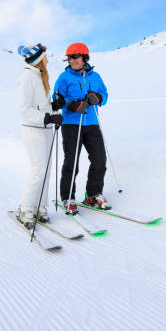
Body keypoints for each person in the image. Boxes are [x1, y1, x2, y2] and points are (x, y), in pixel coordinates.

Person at [52, 42, 111, 214]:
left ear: (84, 57)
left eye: (75, 56)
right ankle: (68, 197)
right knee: (71, 162)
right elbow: (57, 99)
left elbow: (105, 96)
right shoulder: (64, 78)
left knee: (100, 160)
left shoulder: (96, 77)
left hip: (92, 123)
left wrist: (97, 97)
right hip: (71, 124)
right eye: (69, 58)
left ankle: (93, 194)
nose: (72, 60)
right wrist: (73, 105)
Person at [16, 43, 64, 228]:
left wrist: (55, 106)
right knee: (39, 169)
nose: (47, 59)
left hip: (45, 130)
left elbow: (42, 106)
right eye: (45, 56)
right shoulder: (27, 77)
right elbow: (25, 110)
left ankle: (39, 207)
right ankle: (25, 208)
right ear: (38, 59)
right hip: (33, 130)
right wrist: (47, 117)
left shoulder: (40, 76)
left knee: (47, 170)